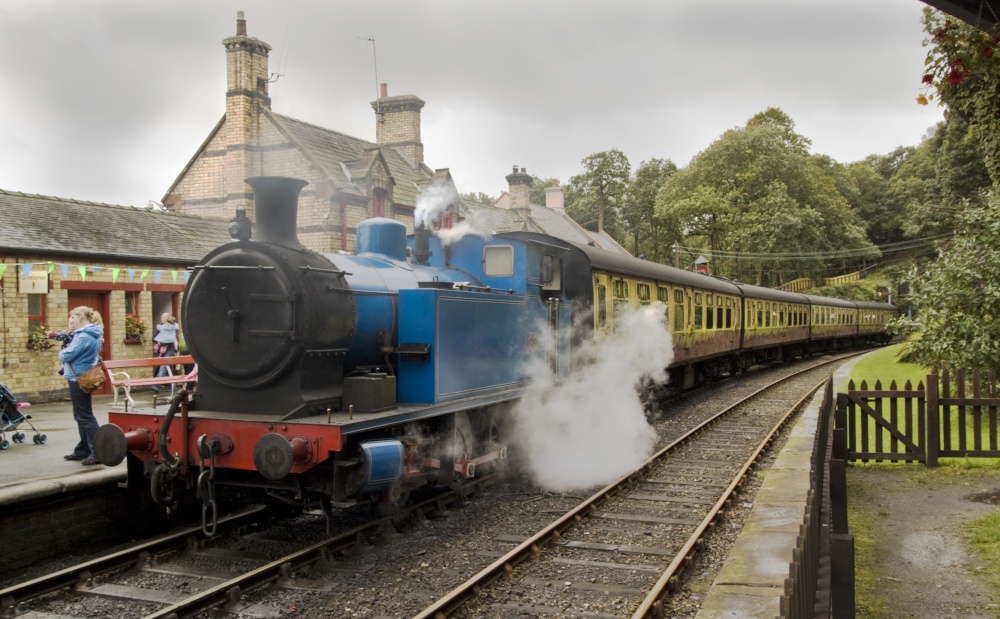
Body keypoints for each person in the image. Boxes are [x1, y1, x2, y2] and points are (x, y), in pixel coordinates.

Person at [58, 306, 104, 466]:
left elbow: (66, 355)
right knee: (80, 416)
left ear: (82, 317)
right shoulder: (90, 333)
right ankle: (83, 449)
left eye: (74, 317)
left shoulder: (84, 336)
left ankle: (98, 451)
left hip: (78, 378)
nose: (72, 320)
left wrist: (61, 353)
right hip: (81, 376)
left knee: (85, 416)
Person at [151, 313, 180, 390]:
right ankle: (172, 387)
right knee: (169, 368)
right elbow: (153, 338)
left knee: (163, 367)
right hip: (162, 350)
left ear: (167, 319)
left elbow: (172, 338)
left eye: (162, 317)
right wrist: (157, 341)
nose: (161, 319)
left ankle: (156, 385)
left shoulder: (173, 327)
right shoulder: (159, 327)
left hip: (170, 349)